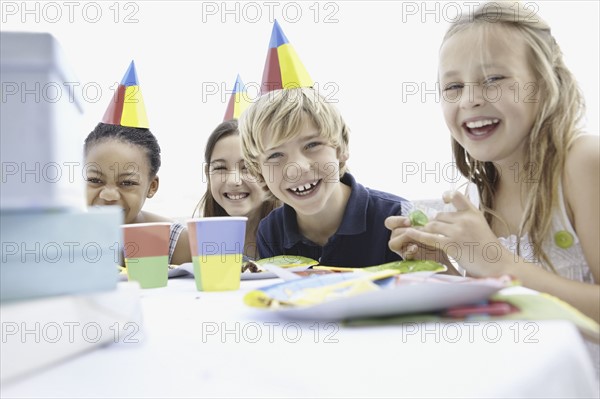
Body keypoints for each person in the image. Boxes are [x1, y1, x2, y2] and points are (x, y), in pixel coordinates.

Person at [386, 2, 599, 323]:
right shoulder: (475, 197)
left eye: (493, 78)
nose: (470, 98)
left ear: (543, 84)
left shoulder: (583, 163)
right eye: (454, 86)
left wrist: (501, 265)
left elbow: (510, 276)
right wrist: (444, 268)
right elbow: (503, 312)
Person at [240, 87, 412, 266]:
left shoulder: (397, 217)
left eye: (312, 144)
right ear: (259, 172)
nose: (297, 168)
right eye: (275, 155)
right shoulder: (271, 231)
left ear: (341, 150)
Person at [85, 61, 191, 265]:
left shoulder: (178, 243)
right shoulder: (63, 241)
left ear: (152, 186)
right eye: (95, 180)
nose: (108, 195)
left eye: (126, 183)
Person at [193, 119, 280, 260]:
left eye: (247, 167)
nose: (234, 181)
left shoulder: (299, 238)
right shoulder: (197, 243)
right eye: (220, 168)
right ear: (207, 174)